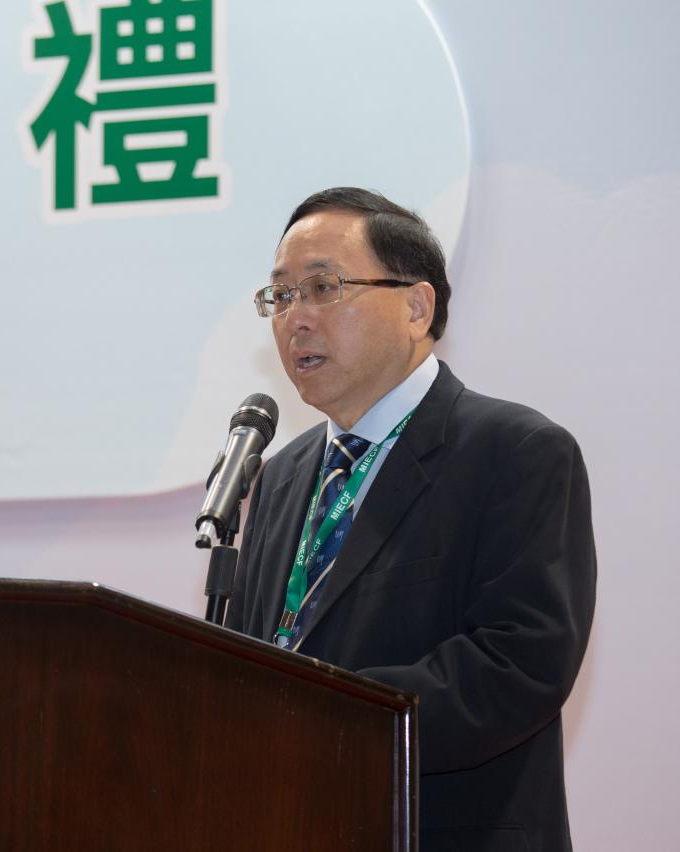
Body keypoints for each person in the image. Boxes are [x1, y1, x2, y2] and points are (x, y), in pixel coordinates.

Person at [226, 187, 596, 851]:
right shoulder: (278, 477)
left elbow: (517, 665)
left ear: (416, 307)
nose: (295, 318)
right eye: (280, 296)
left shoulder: (516, 452)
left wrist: (315, 721)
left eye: (322, 288)